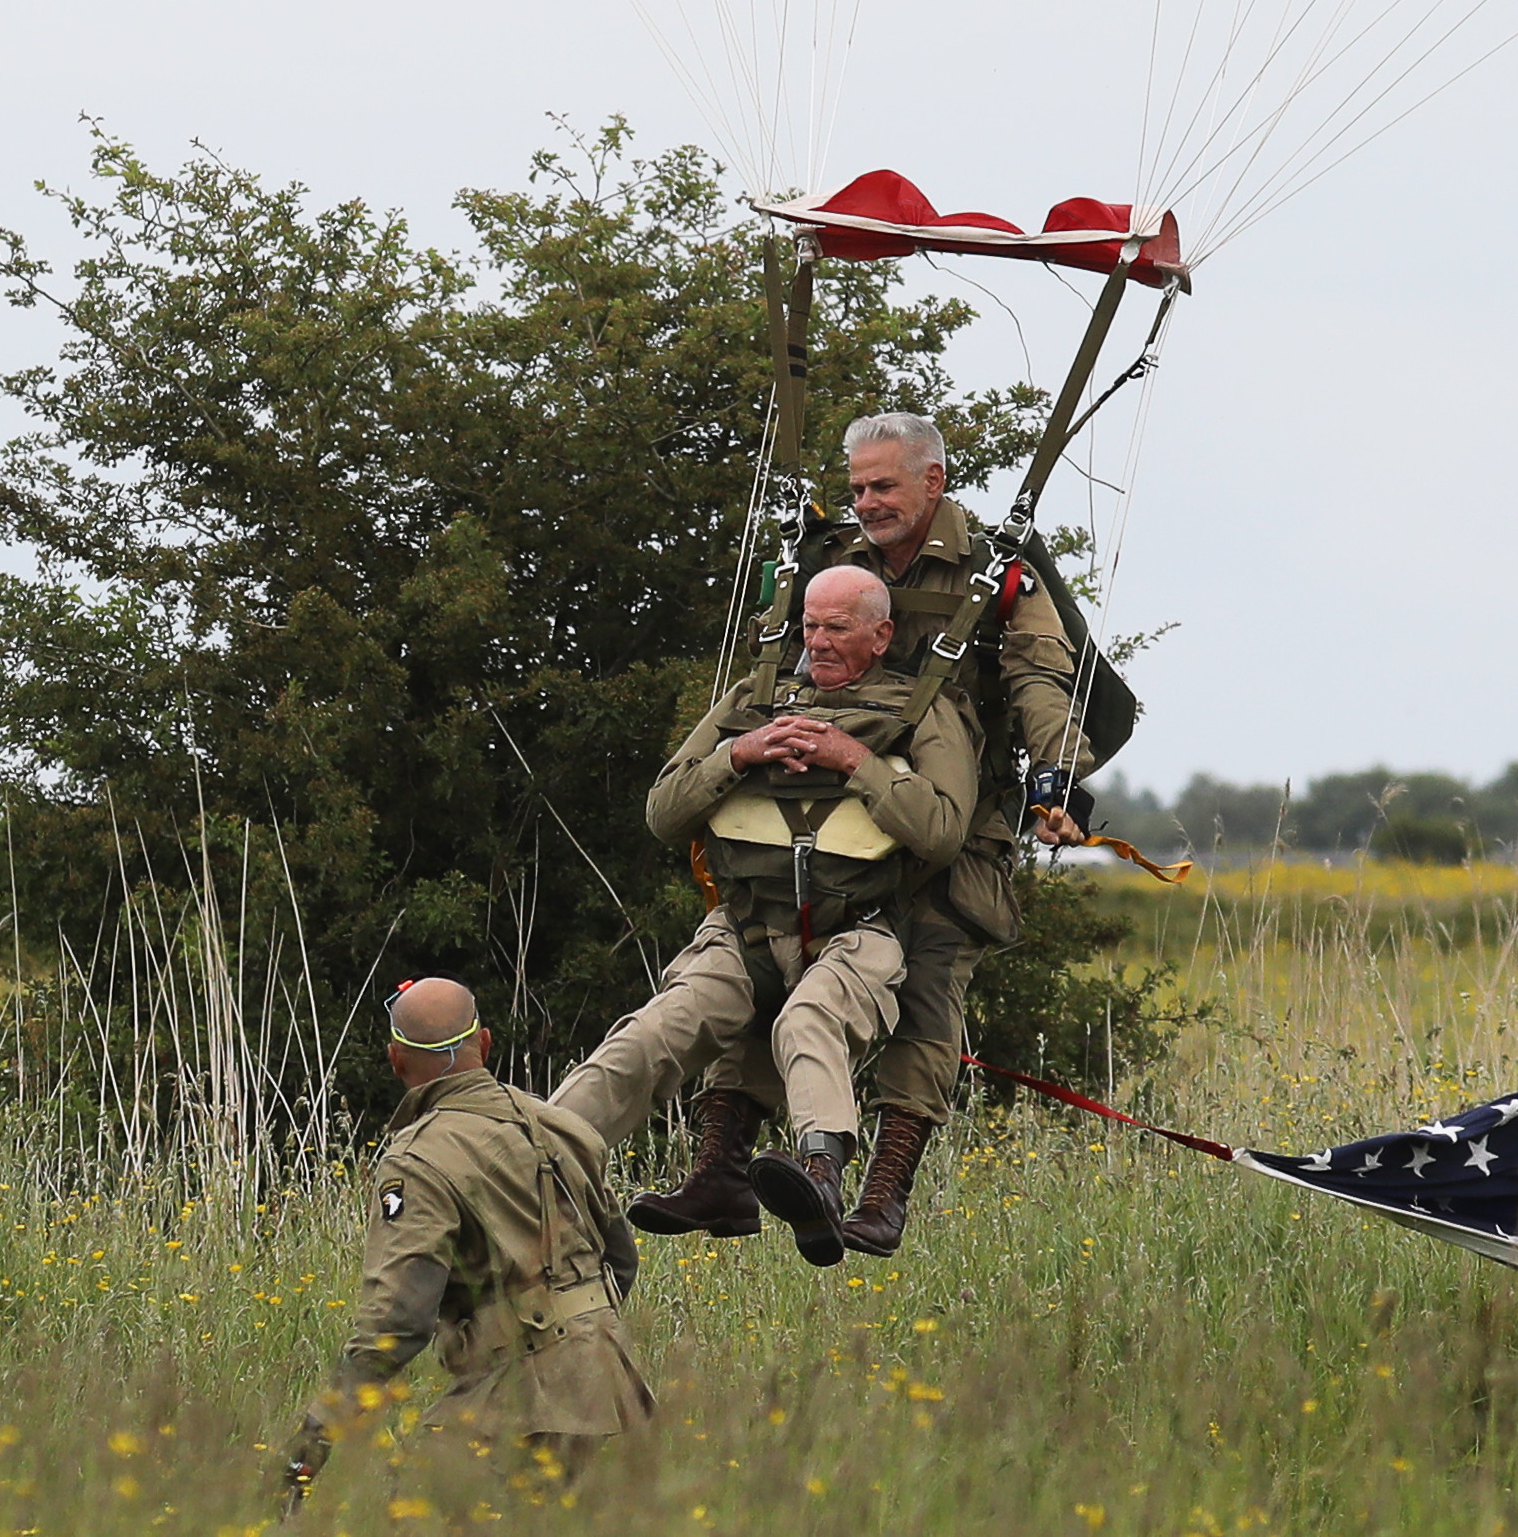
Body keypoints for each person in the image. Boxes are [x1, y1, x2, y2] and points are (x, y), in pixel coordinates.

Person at [640, 411, 1097, 1258]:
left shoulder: (998, 575)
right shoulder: (832, 566)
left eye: (883, 485)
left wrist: (1056, 777)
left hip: (945, 816)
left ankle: (882, 1191)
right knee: (763, 946)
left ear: (934, 481)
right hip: (823, 813)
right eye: (855, 487)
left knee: (928, 979)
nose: (867, 502)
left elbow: (1040, 677)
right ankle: (723, 1167)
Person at [550, 565, 978, 1267]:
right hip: (745, 925)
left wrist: (856, 762)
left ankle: (819, 1175)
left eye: (838, 627)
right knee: (660, 1026)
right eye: (810, 625)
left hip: (857, 926)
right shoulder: (753, 699)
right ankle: (536, 1157)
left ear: (881, 634)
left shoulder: (924, 709)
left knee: (808, 1019)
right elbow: (664, 812)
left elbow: (940, 832)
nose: (819, 641)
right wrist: (740, 752)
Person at [285, 977, 652, 1500]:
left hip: (522, 1400)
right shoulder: (564, 1128)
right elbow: (619, 1261)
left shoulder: (417, 1160)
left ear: (395, 1061)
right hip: (616, 1386)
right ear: (484, 1043)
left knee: (411, 1515)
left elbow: (397, 1322)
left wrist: (311, 1441)